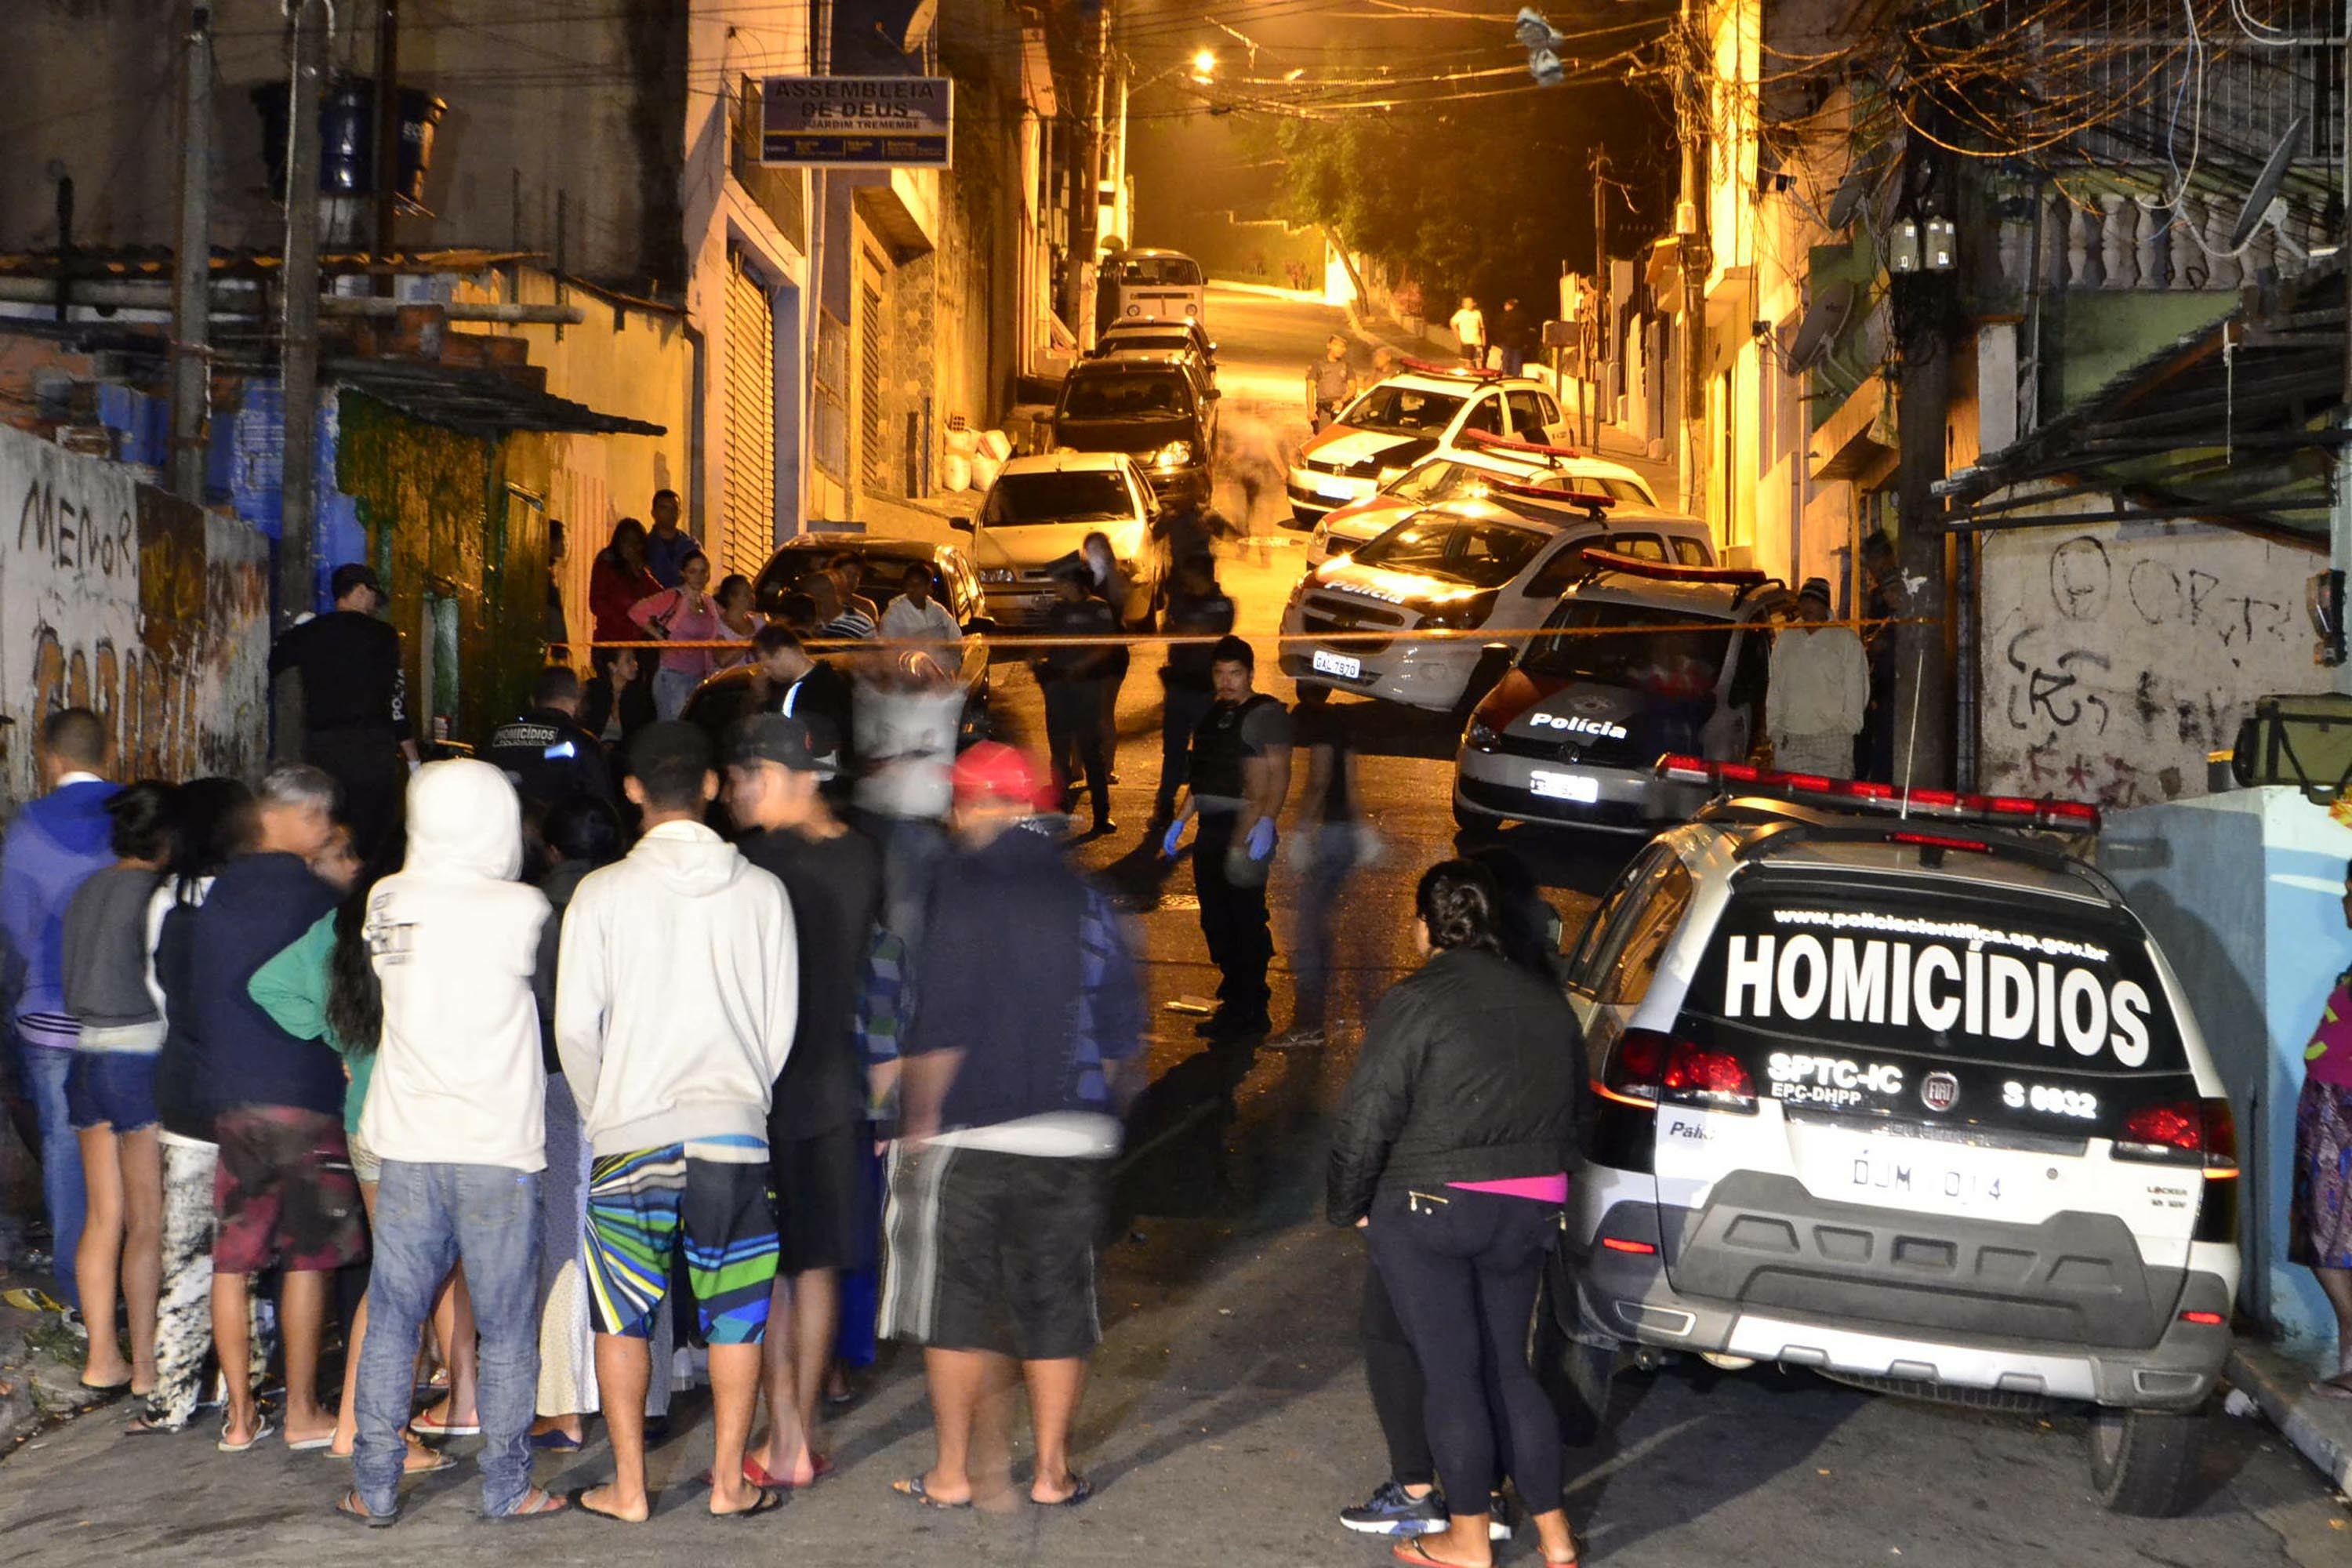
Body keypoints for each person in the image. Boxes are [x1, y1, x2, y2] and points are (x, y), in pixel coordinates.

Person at [881, 742, 1144, 1510]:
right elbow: (1125, 1025)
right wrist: (1109, 1112)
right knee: (1057, 1305)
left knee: (956, 1308)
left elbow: (943, 1011)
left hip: (971, 1129)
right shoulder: (1086, 892)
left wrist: (918, 1114)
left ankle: (955, 1470)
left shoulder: (955, 884)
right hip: (1071, 1131)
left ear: (971, 806)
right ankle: (1051, 1470)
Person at [554, 721, 798, 1522]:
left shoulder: (600, 894)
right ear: (712, 787)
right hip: (732, 1131)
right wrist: (739, 1095)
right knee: (736, 1312)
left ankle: (628, 1487)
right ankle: (729, 1483)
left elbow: (575, 1030)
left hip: (631, 1133)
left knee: (621, 1311)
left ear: (631, 789)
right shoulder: (761, 891)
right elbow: (778, 1025)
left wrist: (608, 1109)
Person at [1328, 859, 1592, 1568]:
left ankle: (1467, 1537)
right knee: (1510, 1368)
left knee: (1451, 1374)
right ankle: (1557, 1539)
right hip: (1532, 1203)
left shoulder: (1418, 1000)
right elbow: (1578, 1112)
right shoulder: (1547, 1003)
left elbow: (1366, 1117)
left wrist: (1352, 1205)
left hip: (1435, 1203)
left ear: (1424, 927)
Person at [335, 760, 566, 1526]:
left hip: (407, 1139)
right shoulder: (525, 907)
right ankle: (507, 1487)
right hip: (498, 1144)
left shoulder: (387, 897)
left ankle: (373, 1485)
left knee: (395, 1317)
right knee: (505, 1326)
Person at [248, 824, 469, 1469]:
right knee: (402, 1283)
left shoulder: (350, 924)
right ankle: (364, 1428)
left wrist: (343, 1040)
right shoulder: (439, 924)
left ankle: (367, 1423)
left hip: (367, 1120)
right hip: (422, 1121)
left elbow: (270, 985)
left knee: (398, 1278)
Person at [725, 715, 885, 1490]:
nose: (737, 790)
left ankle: (780, 1426)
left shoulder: (747, 863)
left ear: (785, 773)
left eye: (747, 775)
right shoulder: (862, 854)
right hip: (833, 1083)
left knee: (765, 1267)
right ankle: (802, 1431)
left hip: (754, 1086)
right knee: (815, 1261)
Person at [190, 764, 353, 1453]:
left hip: (231, 1097)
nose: (323, 830)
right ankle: (303, 1413)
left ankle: (238, 1418)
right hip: (305, 1095)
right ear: (287, 818)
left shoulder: (215, 895)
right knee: (308, 1258)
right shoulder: (317, 900)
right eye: (317, 818)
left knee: (235, 1255)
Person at [528, 794, 674, 1454]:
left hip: (567, 1085)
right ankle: (650, 1397)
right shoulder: (640, 898)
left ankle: (565, 1407)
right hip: (646, 1088)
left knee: (566, 1243)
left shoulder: (539, 910)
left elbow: (549, 1013)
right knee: (642, 1245)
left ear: (552, 850)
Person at [130, 779, 267, 1436]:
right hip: (251, 1090)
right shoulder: (255, 899)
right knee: (251, 1254)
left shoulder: (165, 900)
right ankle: (252, 1387)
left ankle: (173, 1395)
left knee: (186, 1254)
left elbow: (159, 993)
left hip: (186, 1090)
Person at [1, 706, 122, 1313]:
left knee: (65, 1152)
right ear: (110, 749)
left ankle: (82, 1298)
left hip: (50, 1016)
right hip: (130, 1018)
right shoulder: (139, 816)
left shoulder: (26, 830)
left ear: (50, 757)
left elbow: (19, 934)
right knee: (137, 1152)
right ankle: (138, 1293)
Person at [61, 781, 172, 1393]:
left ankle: (103, 1356)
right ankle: (149, 1368)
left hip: (86, 1058)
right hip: (138, 1060)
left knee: (104, 1217)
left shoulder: (87, 889)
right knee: (148, 1221)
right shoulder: (156, 894)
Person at [1161, 637, 1291, 1040]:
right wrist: (1180, 820)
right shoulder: (1213, 716)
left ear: (1250, 673)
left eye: (1235, 673)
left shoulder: (1266, 713)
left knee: (1246, 919)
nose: (1227, 681)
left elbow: (1280, 772)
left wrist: (1267, 821)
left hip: (1246, 827)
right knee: (1216, 919)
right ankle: (1236, 992)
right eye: (1220, 673)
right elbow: (1202, 778)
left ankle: (1251, 1005)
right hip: (1211, 831)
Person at [267, 564, 419, 858]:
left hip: (324, 749)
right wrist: (412, 758)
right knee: (373, 837)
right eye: (374, 596)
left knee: (328, 828)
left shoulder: (312, 631)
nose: (376, 605)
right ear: (360, 591)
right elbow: (395, 699)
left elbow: (275, 661)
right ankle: (365, 893)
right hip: (372, 749)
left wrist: (298, 631)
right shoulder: (383, 636)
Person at [1279, 693, 1367, 1051]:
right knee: (1317, 926)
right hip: (1344, 832)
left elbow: (1318, 781)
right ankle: (1315, 1016)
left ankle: (1309, 1022)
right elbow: (1352, 783)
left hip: (1327, 834)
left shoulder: (1322, 734)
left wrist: (1301, 831)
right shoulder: (1342, 729)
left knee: (1306, 930)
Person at [2296, 863, 2352, 1400]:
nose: (2344, 903)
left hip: (2343, 1117)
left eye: (2351, 893)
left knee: (2331, 1241)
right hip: (2327, 1112)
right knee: (2325, 1240)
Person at [1035, 559, 1120, 837]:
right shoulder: (1057, 610)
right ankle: (1059, 808)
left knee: (1091, 753)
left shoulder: (1098, 609)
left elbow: (1105, 648)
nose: (1057, 587)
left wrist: (1079, 667)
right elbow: (1044, 645)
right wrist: (1037, 665)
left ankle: (1101, 815)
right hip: (1059, 690)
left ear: (1074, 583)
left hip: (1086, 689)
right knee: (1059, 752)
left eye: (1060, 582)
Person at [1152, 555, 1236, 827]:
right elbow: (1168, 632)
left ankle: (1205, 808)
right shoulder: (1181, 601)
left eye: (1191, 575)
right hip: (1178, 687)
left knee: (1205, 753)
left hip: (1204, 692)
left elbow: (1205, 632)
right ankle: (1165, 805)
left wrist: (1183, 630)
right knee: (1173, 750)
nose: (1187, 581)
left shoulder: (1221, 604)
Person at [1766, 576, 1870, 779]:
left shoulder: (1845, 640)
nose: (1808, 607)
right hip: (1791, 738)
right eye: (1804, 601)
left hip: (1831, 739)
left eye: (1814, 601)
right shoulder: (1787, 638)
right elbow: (1775, 685)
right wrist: (1774, 728)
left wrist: (1847, 728)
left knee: (1828, 805)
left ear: (1825, 606)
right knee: (1792, 806)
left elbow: (1857, 688)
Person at [485, 666, 618, 813]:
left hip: (499, 830)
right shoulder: (582, 742)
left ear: (532, 700)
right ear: (577, 699)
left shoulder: (496, 736)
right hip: (557, 834)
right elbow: (603, 809)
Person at [751, 623, 856, 786]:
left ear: (781, 653)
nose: (766, 673)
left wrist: (762, 700)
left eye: (767, 665)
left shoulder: (799, 694)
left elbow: (779, 740)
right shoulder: (836, 680)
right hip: (839, 786)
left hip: (814, 791)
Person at [632, 549, 728, 722]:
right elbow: (637, 612)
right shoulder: (673, 597)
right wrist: (662, 640)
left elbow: (728, 619)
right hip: (673, 676)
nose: (698, 577)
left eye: (703, 571)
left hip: (700, 676)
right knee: (674, 731)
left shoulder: (708, 602)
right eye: (692, 571)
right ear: (682, 573)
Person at [1857, 531, 1901, 782]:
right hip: (1881, 684)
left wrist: (1881, 642)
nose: (1871, 568)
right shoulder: (1878, 596)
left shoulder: (1906, 592)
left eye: (1873, 561)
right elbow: (1872, 635)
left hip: (1899, 686)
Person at [880, 562, 962, 647]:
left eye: (917, 585)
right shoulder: (893, 615)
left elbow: (956, 638)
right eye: (909, 585)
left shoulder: (938, 611)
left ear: (928, 587)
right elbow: (887, 649)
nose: (912, 589)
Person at [644, 488, 700, 589]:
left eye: (674, 509)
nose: (670, 513)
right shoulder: (644, 546)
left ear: (679, 513)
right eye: (664, 508)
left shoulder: (691, 547)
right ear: (653, 512)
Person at [1308, 333, 1359, 430]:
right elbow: (1310, 387)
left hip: (1341, 406)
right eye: (1336, 345)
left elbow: (1353, 389)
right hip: (1324, 407)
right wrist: (1310, 410)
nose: (1340, 349)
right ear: (1329, 346)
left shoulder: (1346, 366)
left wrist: (1342, 401)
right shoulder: (1318, 364)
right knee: (1322, 435)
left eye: (1343, 347)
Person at [808, 571, 877, 641]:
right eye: (813, 594)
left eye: (826, 591)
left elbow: (871, 650)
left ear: (837, 591)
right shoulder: (804, 621)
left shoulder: (863, 623)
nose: (820, 598)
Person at [717, 572, 766, 662]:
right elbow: (722, 660)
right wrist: (750, 642)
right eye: (746, 594)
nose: (752, 597)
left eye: (752, 592)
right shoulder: (718, 626)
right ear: (731, 598)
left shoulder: (759, 621)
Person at [1495, 298, 1532, 378]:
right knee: (1517, 359)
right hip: (1519, 341)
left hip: (1507, 340)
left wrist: (1500, 339)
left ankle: (1506, 375)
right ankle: (1516, 376)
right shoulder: (1523, 315)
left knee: (1507, 358)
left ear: (1510, 306)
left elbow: (1501, 328)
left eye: (1506, 305)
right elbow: (1526, 329)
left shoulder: (1506, 315)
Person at [1448, 296, 1487, 369]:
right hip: (1466, 341)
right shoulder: (1461, 313)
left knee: (1479, 360)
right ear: (1463, 304)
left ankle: (1479, 376)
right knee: (1468, 362)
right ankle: (1469, 375)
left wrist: (1484, 339)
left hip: (1477, 341)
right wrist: (1457, 334)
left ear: (1473, 304)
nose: (1469, 304)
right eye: (1467, 303)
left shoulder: (1477, 313)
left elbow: (1482, 327)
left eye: (1471, 303)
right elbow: (1452, 323)